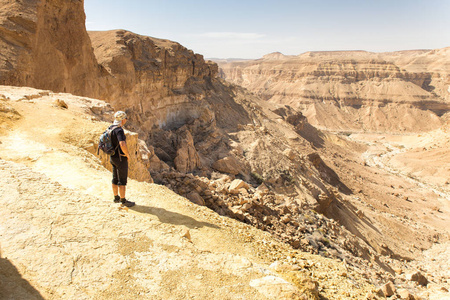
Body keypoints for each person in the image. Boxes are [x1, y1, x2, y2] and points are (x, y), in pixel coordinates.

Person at [110, 111, 135, 207]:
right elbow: (122, 144)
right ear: (122, 119)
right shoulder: (119, 130)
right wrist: (127, 154)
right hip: (120, 158)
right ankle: (123, 200)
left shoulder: (111, 128)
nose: (126, 120)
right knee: (122, 180)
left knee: (115, 178)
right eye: (125, 118)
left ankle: (116, 198)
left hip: (112, 157)